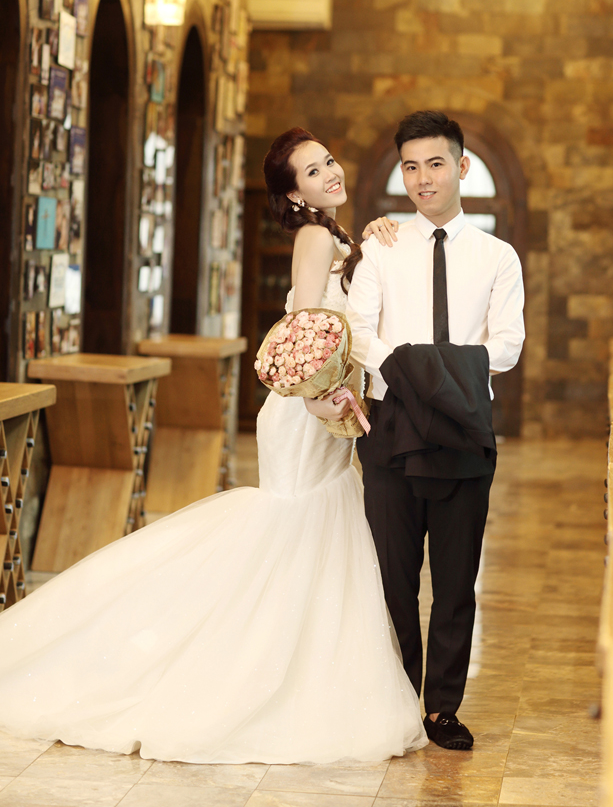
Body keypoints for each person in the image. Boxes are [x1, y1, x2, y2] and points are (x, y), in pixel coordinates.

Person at [0, 127, 426, 765]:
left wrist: (375, 234)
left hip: (324, 406)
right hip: (306, 409)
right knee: (292, 531)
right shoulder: (314, 238)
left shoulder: (334, 233)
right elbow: (302, 328)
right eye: (312, 172)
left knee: (312, 532)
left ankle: (299, 672)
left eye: (329, 162)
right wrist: (317, 397)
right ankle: (249, 675)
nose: (330, 173)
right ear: (294, 194)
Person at [347, 110, 525, 751]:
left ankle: (442, 709)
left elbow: (507, 346)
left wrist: (431, 371)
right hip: (392, 423)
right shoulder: (381, 247)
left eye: (436, 164)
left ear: (462, 167)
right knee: (392, 578)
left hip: (464, 425)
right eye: (411, 167)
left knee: (455, 581)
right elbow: (357, 332)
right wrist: (419, 372)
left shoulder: (498, 256)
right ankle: (397, 702)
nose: (423, 178)